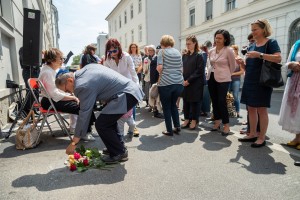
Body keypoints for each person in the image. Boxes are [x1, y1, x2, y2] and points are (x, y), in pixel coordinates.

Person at [55, 64, 144, 163]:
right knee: (108, 120)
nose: (70, 93)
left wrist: (74, 142)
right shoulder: (86, 69)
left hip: (126, 94)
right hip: (130, 90)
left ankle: (118, 153)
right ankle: (118, 148)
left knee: (102, 124)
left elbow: (84, 114)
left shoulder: (82, 85)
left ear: (70, 80)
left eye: (67, 90)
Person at [238, 19, 281, 147]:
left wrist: (260, 54)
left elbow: (278, 58)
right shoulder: (252, 45)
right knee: (251, 108)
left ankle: (261, 137)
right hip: (250, 80)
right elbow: (249, 67)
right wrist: (241, 64)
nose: (253, 32)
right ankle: (252, 134)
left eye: (255, 29)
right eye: (252, 30)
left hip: (262, 81)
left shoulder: (271, 42)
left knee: (262, 109)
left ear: (263, 29)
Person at [38, 48, 96, 141]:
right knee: (83, 106)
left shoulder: (49, 70)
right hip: (49, 101)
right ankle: (85, 132)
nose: (62, 61)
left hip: (50, 99)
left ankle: (87, 130)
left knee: (83, 103)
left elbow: (54, 91)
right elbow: (54, 94)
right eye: (60, 58)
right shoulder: (48, 72)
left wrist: (70, 95)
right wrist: (72, 97)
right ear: (52, 60)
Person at [104, 38, 140, 137]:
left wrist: (136, 87)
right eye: (109, 51)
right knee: (118, 107)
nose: (112, 53)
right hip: (115, 86)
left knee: (130, 105)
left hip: (128, 84)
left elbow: (133, 72)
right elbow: (105, 75)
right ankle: (118, 130)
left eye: (114, 51)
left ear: (119, 48)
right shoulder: (107, 59)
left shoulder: (126, 57)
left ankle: (132, 125)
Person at [207, 29, 236, 136]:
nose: (217, 40)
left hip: (224, 78)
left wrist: (227, 74)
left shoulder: (229, 50)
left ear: (225, 39)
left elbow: (233, 66)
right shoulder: (211, 50)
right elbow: (209, 64)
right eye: (216, 37)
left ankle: (226, 125)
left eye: (220, 38)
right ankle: (217, 121)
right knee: (214, 101)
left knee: (221, 101)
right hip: (211, 77)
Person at [157, 35, 184, 136]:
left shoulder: (162, 52)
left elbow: (159, 67)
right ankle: (177, 126)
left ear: (162, 43)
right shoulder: (177, 52)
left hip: (166, 83)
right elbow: (181, 69)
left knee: (166, 107)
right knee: (174, 105)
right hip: (178, 83)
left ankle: (169, 130)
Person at [278, 39, 300, 150]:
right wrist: (292, 64)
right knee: (296, 111)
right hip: (294, 81)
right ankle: (297, 137)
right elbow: (287, 62)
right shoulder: (296, 44)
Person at [181, 35, 204, 130]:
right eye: (186, 44)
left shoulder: (199, 55)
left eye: (189, 44)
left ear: (195, 43)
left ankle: (194, 120)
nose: (187, 45)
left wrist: (188, 80)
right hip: (185, 82)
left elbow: (199, 71)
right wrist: (182, 79)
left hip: (195, 83)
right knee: (186, 101)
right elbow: (181, 68)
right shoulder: (185, 55)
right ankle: (187, 119)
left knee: (195, 102)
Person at [19, 47, 41, 115]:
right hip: (28, 71)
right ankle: (27, 110)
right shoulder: (23, 49)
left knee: (36, 91)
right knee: (30, 91)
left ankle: (34, 110)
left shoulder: (36, 49)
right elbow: (24, 61)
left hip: (36, 70)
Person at [229, 45, 245, 118]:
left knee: (235, 95)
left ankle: (238, 112)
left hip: (236, 80)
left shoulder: (239, 59)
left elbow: (242, 71)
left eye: (233, 49)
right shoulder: (229, 59)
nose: (231, 51)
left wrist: (232, 73)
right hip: (228, 79)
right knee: (228, 96)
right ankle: (230, 111)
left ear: (236, 50)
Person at [200, 45, 211, 117]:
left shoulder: (204, 55)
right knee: (205, 95)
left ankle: (203, 110)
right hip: (206, 76)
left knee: (203, 95)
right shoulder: (207, 55)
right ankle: (205, 110)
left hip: (205, 77)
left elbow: (205, 67)